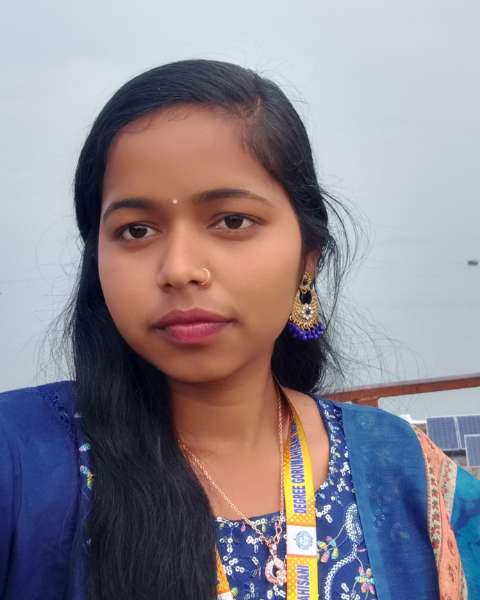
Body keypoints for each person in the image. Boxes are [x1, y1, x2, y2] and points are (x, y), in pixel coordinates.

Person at [0, 59, 478, 600]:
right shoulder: (20, 462)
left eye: (232, 220)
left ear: (308, 258)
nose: (180, 269)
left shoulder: (404, 470)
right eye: (136, 230)